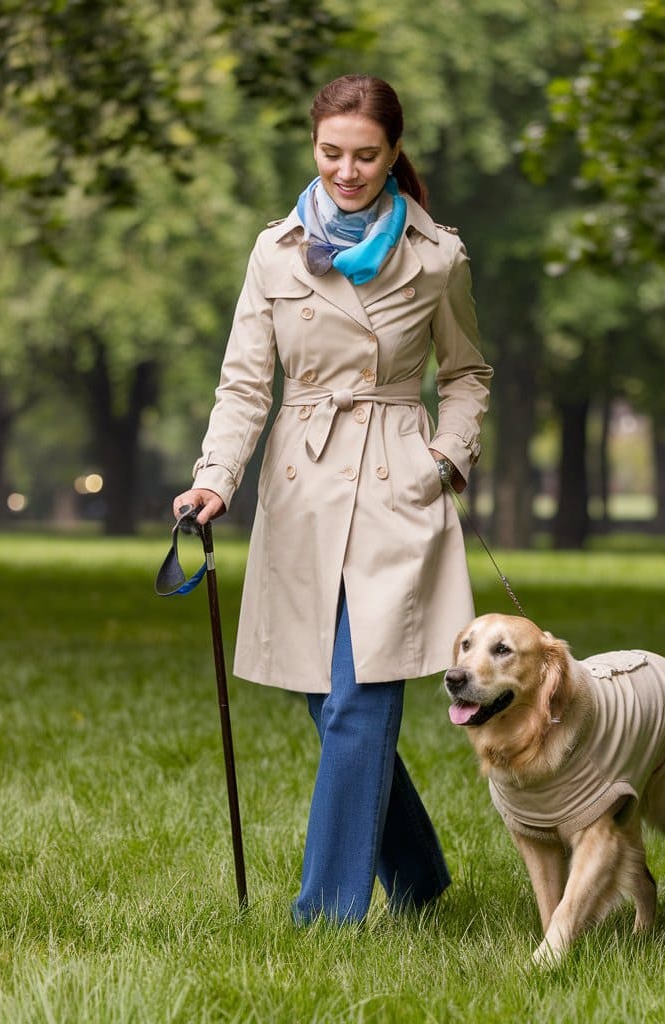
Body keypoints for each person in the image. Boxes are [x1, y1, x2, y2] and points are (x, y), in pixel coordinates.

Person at [173, 74, 492, 925]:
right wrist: (215, 478)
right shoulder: (273, 251)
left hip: (399, 483)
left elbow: (465, 374)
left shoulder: (438, 255)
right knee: (326, 695)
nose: (347, 171)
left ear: (393, 154)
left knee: (361, 696)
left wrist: (445, 457)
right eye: (331, 153)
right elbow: (246, 384)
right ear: (314, 147)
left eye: (365, 155)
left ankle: (326, 916)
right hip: (302, 486)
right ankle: (420, 878)